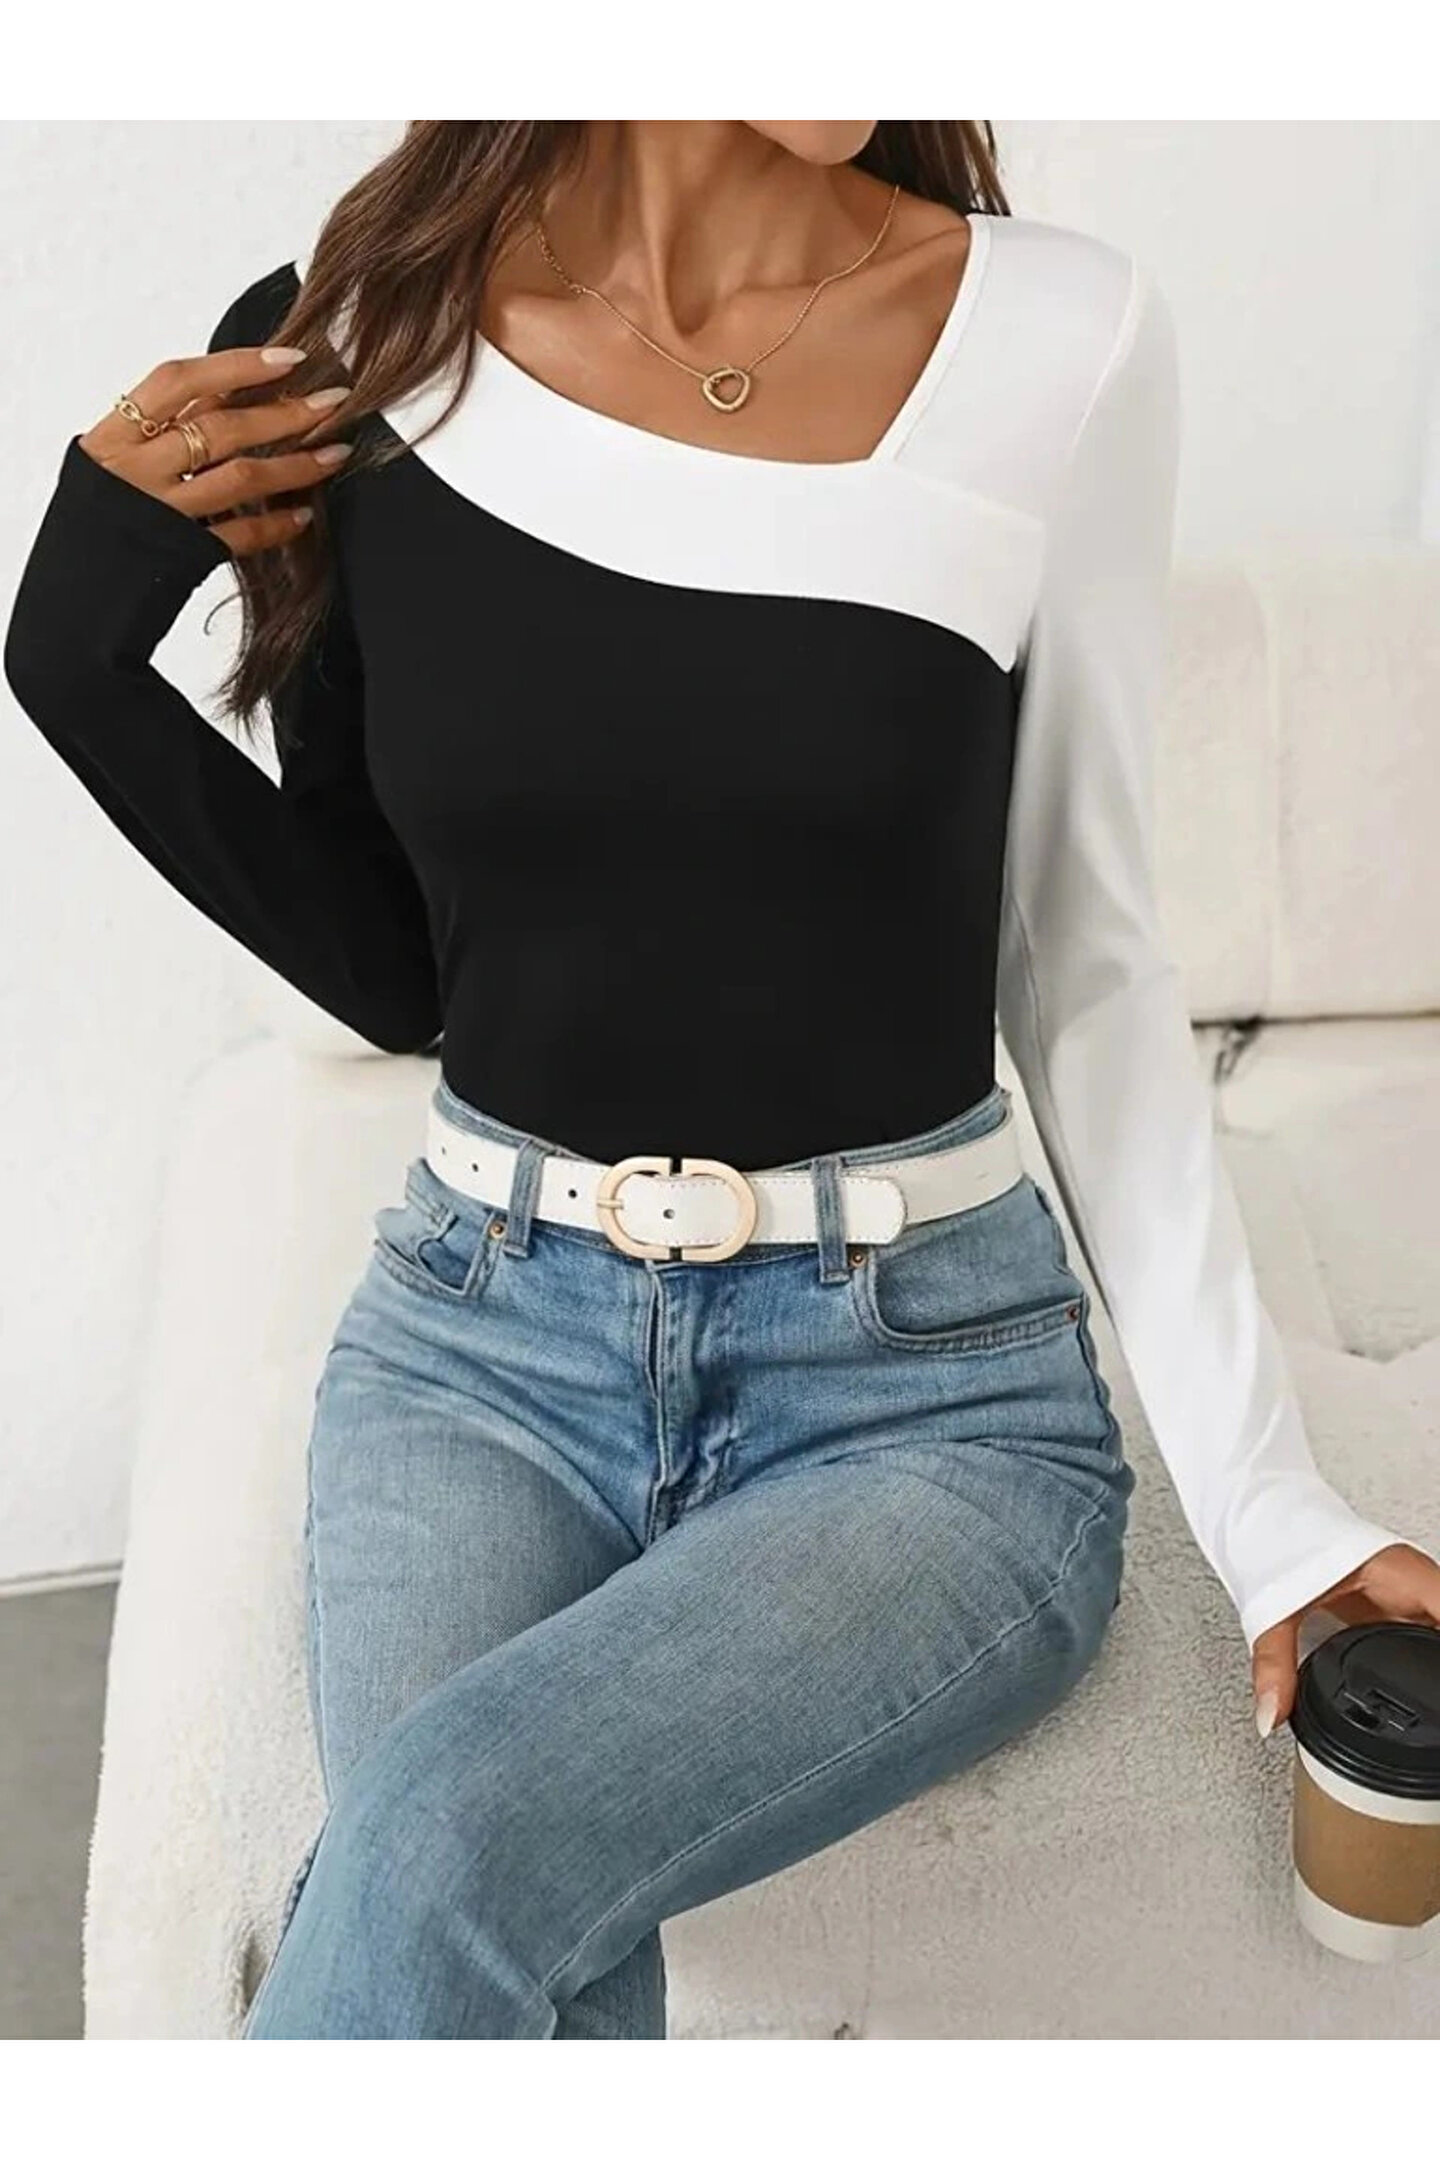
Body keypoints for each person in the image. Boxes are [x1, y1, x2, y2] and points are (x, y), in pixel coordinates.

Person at [6, 120, 1438, 2042]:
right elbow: (399, 973)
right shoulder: (367, 335)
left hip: (923, 1398)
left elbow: (1087, 960)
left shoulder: (1054, 336)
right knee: (515, 1948)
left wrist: (1274, 1516)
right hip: (478, 1352)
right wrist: (70, 650)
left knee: (432, 1846)